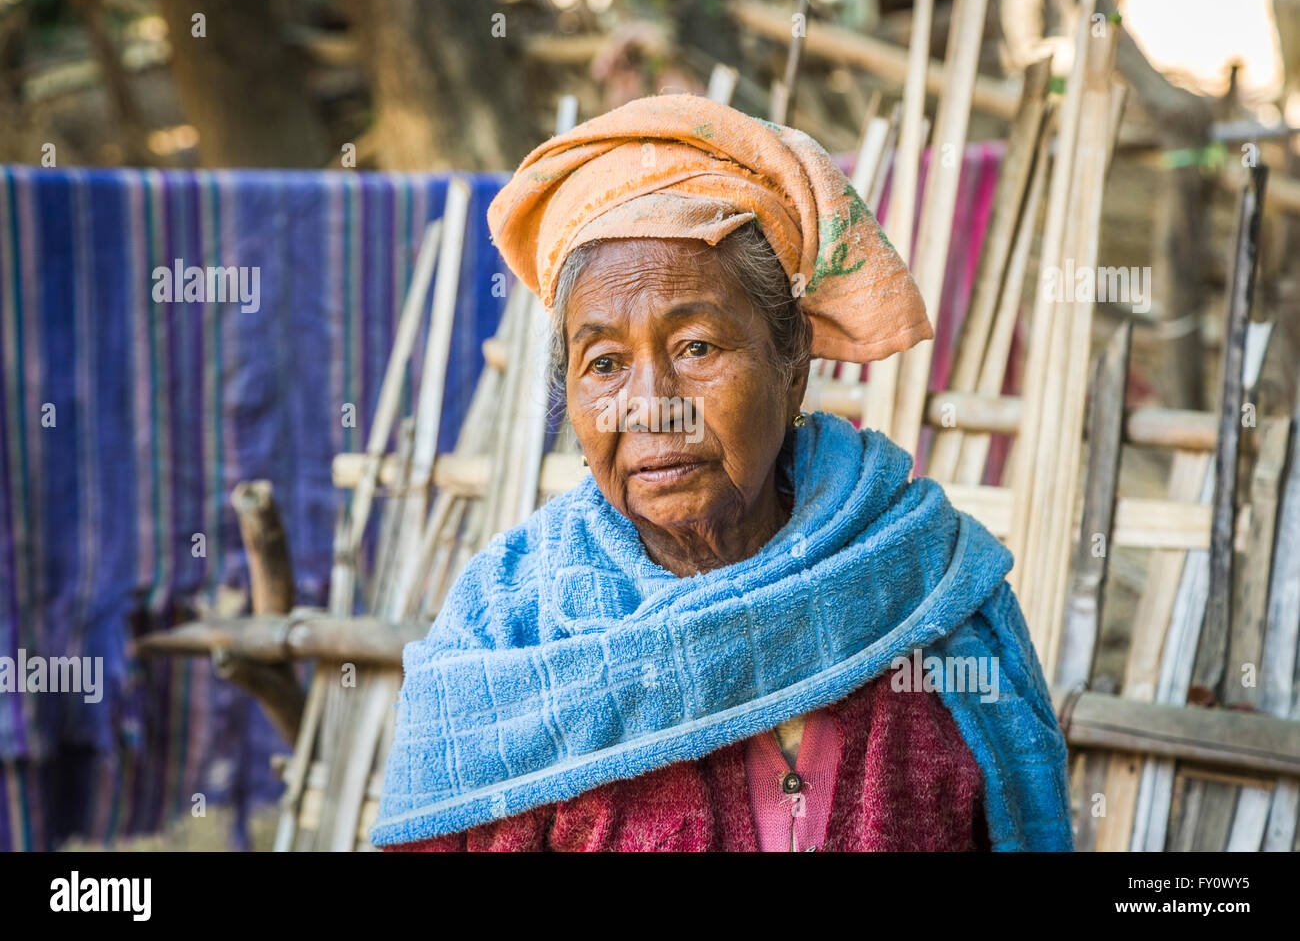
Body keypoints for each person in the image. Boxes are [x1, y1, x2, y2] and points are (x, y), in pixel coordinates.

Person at [370, 94, 1072, 852]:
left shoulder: (932, 588)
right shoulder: (505, 636)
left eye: (697, 347)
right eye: (603, 364)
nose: (652, 408)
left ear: (793, 362)